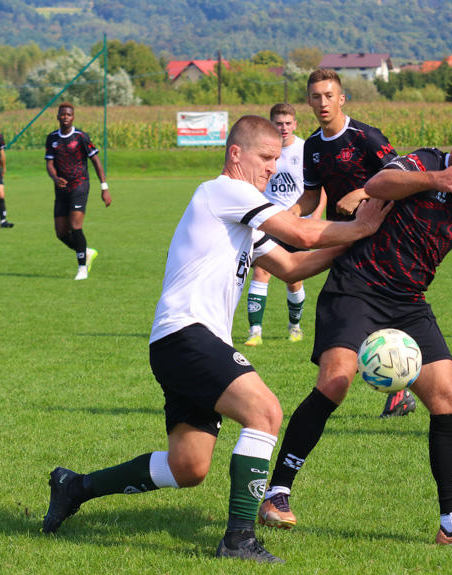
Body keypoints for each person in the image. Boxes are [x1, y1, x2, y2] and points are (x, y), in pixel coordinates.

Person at [41, 115, 391, 564]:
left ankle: (75, 486)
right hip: (187, 334)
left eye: (277, 159)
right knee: (265, 412)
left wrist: (355, 243)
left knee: (188, 466)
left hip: (182, 343)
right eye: (266, 158)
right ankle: (238, 539)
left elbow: (294, 265)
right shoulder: (224, 191)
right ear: (236, 154)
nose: (272, 168)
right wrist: (363, 227)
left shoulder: (242, 217)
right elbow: (302, 232)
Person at [259, 115, 452, 552]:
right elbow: (376, 186)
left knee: (449, 399)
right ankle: (276, 492)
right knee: (336, 380)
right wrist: (436, 176)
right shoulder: (428, 162)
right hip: (357, 285)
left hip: (408, 301)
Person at [293, 67, 416, 418]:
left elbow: (401, 174)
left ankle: (393, 386)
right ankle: (397, 388)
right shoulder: (313, 146)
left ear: (341, 98)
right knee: (357, 311)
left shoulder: (365, 136)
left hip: (380, 239)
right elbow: (310, 196)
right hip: (343, 239)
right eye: (316, 97)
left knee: (352, 310)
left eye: (329, 95)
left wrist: (361, 192)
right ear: (309, 101)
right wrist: (283, 216)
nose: (322, 103)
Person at [244, 103, 326, 347]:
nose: (283, 128)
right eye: (278, 123)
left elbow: (319, 187)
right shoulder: (262, 150)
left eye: (288, 123)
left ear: (295, 125)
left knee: (294, 278)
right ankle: (255, 331)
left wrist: (316, 216)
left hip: (297, 224)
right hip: (268, 221)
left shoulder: (305, 149)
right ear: (271, 125)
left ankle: (295, 327)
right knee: (261, 271)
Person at [45, 102, 112, 281]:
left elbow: (96, 161)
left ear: (73, 117)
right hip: (61, 189)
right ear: (58, 117)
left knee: (75, 226)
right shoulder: (52, 138)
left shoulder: (81, 137)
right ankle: (86, 252)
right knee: (61, 233)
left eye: (68, 114)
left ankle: (82, 269)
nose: (65, 117)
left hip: (79, 185)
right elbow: (49, 163)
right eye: (62, 114)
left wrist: (104, 188)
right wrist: (54, 178)